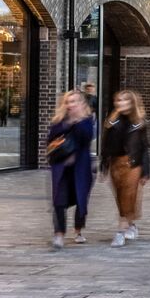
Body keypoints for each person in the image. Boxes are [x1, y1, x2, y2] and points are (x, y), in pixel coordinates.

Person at [100, 89, 150, 247]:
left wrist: (146, 171)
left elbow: (144, 148)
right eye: (118, 100)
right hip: (116, 163)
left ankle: (120, 232)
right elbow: (105, 146)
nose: (120, 103)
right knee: (120, 197)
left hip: (132, 164)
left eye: (124, 100)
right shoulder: (111, 122)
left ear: (132, 103)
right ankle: (130, 223)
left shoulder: (139, 123)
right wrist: (104, 166)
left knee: (128, 195)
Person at [47, 90, 96, 249]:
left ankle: (78, 230)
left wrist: (77, 120)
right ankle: (59, 234)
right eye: (68, 101)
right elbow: (51, 139)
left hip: (81, 167)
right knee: (58, 201)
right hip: (62, 167)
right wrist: (68, 123)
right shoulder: (59, 121)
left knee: (81, 199)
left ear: (81, 103)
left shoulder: (87, 121)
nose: (70, 104)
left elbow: (86, 137)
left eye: (74, 101)